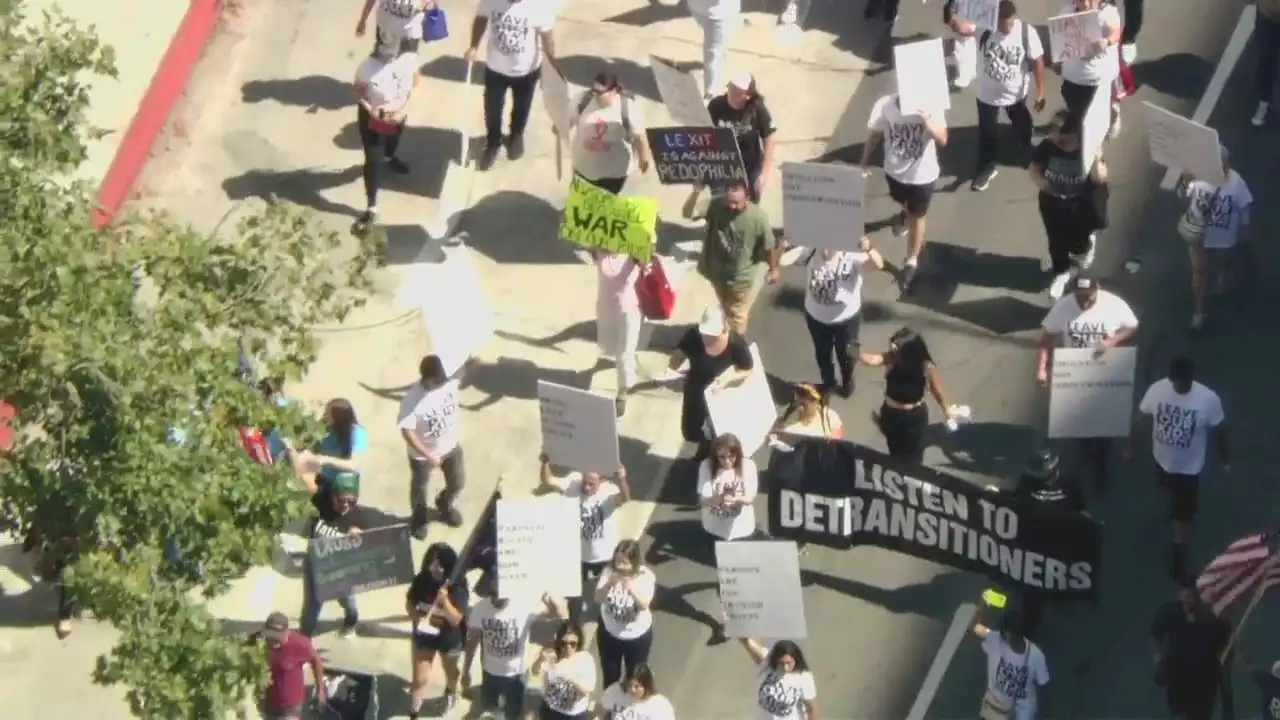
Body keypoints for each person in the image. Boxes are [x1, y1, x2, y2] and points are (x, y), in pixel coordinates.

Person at [1127, 355, 1228, 581]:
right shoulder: (1158, 390)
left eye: (1183, 383)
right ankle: (1176, 513)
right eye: (1175, 382)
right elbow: (1141, 418)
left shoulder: (1208, 399)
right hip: (1162, 460)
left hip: (1189, 470)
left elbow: (1219, 429)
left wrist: (1224, 458)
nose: (1178, 387)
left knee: (1183, 518)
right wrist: (1132, 444)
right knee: (1166, 489)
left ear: (1191, 379)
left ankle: (1178, 556)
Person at [1036, 274, 1138, 492]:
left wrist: (1112, 341)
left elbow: (1132, 325)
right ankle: (1085, 460)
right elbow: (1047, 338)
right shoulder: (1063, 308)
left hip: (1103, 372)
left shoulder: (1113, 305)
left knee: (1102, 426)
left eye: (1089, 296)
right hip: (1075, 372)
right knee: (1079, 425)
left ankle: (1100, 469)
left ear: (1097, 289)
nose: (1084, 301)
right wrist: (1041, 368)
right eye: (1080, 296)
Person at [860, 93, 948, 293]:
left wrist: (927, 121)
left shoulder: (930, 104)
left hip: (922, 177)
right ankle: (905, 213)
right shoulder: (884, 104)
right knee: (901, 202)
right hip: (894, 172)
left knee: (917, 216)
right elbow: (875, 134)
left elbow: (943, 138)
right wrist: (864, 160)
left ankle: (911, 260)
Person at [466, 0, 561, 171]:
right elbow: (481, 19)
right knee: (492, 109)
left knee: (521, 107)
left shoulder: (540, 6)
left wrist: (552, 69)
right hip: (495, 69)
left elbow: (547, 38)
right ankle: (493, 143)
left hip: (526, 71)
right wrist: (473, 46)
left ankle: (516, 135)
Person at [537, 454, 632, 623]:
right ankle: (572, 624)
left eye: (591, 484)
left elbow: (625, 498)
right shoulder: (573, 482)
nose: (586, 488)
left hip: (606, 554)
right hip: (580, 554)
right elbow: (549, 480)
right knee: (575, 592)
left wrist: (622, 480)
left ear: (601, 482)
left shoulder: (609, 492)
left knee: (607, 589)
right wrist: (546, 462)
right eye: (585, 482)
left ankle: (607, 618)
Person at [1029, 111, 1109, 298]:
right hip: (1052, 201)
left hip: (1080, 205)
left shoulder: (1088, 149)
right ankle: (1062, 271)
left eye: (1061, 133)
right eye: (1054, 131)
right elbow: (1034, 169)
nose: (1056, 137)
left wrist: (1097, 159)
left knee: (1078, 243)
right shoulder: (1048, 146)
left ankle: (1084, 249)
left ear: (1075, 134)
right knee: (1055, 239)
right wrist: (1045, 185)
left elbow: (1100, 178)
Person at [684, 180, 780, 336]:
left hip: (739, 278)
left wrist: (773, 268)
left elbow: (769, 247)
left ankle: (735, 345)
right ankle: (726, 334)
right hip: (715, 272)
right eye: (728, 202)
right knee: (726, 307)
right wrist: (695, 193)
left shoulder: (758, 218)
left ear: (747, 198)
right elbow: (688, 214)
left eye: (736, 203)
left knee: (736, 314)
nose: (731, 207)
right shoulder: (716, 205)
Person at [1175, 145, 1254, 330]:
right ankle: (1199, 311)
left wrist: (1245, 231)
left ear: (1227, 163)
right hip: (1199, 234)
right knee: (1198, 271)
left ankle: (1220, 278)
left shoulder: (1236, 183)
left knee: (1220, 262)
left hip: (1224, 237)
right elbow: (1183, 196)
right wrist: (1184, 181)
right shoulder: (1197, 175)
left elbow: (1244, 207)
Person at [464, 571, 561, 720]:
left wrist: (549, 600)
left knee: (513, 713)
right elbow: (472, 642)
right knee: (491, 711)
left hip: (517, 675)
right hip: (491, 673)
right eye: (493, 594)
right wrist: (466, 670)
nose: (497, 599)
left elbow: (557, 614)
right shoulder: (480, 609)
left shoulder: (523, 606)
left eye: (501, 595)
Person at [971, 1, 1046, 191]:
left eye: (1010, 24)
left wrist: (1040, 91)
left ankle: (1026, 144)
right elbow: (962, 28)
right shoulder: (984, 30)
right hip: (987, 95)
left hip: (1015, 95)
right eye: (1002, 24)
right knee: (987, 133)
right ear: (994, 20)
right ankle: (986, 168)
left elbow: (1038, 61)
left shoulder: (1026, 33)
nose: (1006, 28)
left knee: (1021, 122)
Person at [859, 327, 957, 463]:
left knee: (914, 455)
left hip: (914, 418)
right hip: (891, 414)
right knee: (895, 452)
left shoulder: (926, 366)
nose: (892, 350)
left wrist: (947, 409)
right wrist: (857, 354)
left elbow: (937, 390)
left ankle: (912, 479)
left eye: (896, 348)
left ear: (911, 350)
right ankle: (898, 477)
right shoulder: (893, 358)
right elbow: (875, 359)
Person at [667, 306, 755, 456]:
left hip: (718, 396)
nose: (707, 338)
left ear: (723, 330)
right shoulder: (694, 336)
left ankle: (709, 456)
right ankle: (704, 447)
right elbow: (678, 354)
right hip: (695, 392)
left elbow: (747, 368)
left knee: (715, 435)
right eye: (705, 334)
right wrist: (676, 366)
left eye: (712, 334)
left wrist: (728, 379)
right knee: (692, 431)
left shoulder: (735, 343)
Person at [699, 432, 761, 643]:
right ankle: (730, 620)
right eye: (722, 457)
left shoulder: (748, 466)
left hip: (741, 530)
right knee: (726, 578)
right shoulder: (707, 467)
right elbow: (703, 499)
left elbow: (751, 495)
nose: (727, 461)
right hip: (716, 530)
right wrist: (718, 498)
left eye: (731, 457)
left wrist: (737, 499)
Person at [350, 43, 419, 234]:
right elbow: (358, 90)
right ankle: (372, 205)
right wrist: (371, 110)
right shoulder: (368, 66)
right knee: (372, 159)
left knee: (390, 147)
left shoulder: (409, 60)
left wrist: (402, 109)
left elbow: (416, 79)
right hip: (373, 118)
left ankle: (389, 158)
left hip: (396, 116)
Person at [802, 238, 883, 398]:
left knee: (848, 354)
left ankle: (847, 381)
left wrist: (869, 248)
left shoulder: (852, 254)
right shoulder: (810, 250)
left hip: (847, 319)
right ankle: (828, 382)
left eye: (829, 247)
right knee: (822, 353)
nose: (825, 252)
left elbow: (878, 264)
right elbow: (783, 260)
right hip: (816, 318)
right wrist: (783, 246)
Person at [398, 354, 466, 539]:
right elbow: (407, 431)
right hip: (422, 455)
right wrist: (427, 454)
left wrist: (474, 361)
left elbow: (468, 365)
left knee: (458, 482)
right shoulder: (412, 400)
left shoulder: (450, 379)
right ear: (428, 379)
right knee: (420, 489)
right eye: (440, 380)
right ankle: (419, 519)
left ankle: (444, 504)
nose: (445, 383)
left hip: (450, 446)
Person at [1151, 579, 1232, 720]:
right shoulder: (1171, 614)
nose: (1184, 601)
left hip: (1201, 685)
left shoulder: (1211, 622)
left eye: (1188, 596)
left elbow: (1225, 642)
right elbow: (1158, 633)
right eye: (1182, 596)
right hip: (1187, 685)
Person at [406, 542, 469, 719]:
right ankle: (414, 712)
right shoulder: (421, 580)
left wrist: (445, 601)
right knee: (419, 679)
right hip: (425, 634)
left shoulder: (458, 586)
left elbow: (456, 619)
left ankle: (450, 692)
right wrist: (417, 618)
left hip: (449, 636)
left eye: (440, 565)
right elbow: (410, 604)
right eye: (432, 563)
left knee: (451, 672)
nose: (435, 569)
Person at [300, 472, 367, 637]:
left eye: (351, 501)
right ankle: (304, 638)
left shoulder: (357, 516)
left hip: (341, 567)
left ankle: (351, 621)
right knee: (312, 604)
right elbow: (302, 478)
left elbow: (367, 549)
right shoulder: (322, 502)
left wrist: (358, 537)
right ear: (332, 496)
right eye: (341, 500)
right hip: (316, 564)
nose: (345, 505)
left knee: (347, 600)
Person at [571, 72, 651, 195]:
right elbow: (566, 119)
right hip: (583, 168)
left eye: (601, 93)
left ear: (614, 91)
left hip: (613, 174)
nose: (596, 96)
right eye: (594, 91)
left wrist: (643, 159)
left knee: (604, 207)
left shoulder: (628, 108)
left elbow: (640, 136)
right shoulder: (582, 100)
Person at [594, 540, 657, 689]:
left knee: (633, 676)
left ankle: (629, 704)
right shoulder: (608, 572)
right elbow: (597, 598)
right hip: (609, 633)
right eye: (618, 561)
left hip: (636, 637)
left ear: (634, 563)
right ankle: (610, 706)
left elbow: (644, 604)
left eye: (625, 563)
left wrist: (631, 589)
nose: (620, 566)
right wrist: (609, 583)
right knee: (610, 675)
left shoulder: (645, 576)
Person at [971, 603, 1051, 720]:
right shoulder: (995, 638)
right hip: (996, 708)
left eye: (1005, 631)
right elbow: (975, 627)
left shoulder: (1036, 656)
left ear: (1012, 633)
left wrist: (1045, 711)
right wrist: (982, 605)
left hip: (1021, 712)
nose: (1002, 633)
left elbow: (1043, 684)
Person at [708, 74, 777, 202]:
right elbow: (705, 132)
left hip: (749, 163)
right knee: (720, 201)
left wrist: (764, 174)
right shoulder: (716, 105)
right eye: (731, 89)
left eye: (737, 92)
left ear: (747, 96)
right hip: (723, 161)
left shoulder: (757, 109)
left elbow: (769, 141)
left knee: (750, 201)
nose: (732, 94)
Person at [1057, 0, 1123, 133]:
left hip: (1094, 82)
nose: (1086, 3)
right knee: (1078, 116)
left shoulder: (1107, 12)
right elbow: (1059, 38)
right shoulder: (1067, 11)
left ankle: (1097, 138)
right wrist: (1058, 61)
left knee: (1092, 120)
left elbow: (1115, 32)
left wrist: (1107, 41)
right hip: (1072, 80)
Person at [594, 248, 643, 417]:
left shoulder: (634, 254)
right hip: (606, 310)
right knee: (610, 348)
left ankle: (623, 392)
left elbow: (647, 260)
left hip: (628, 313)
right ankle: (622, 368)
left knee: (623, 355)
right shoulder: (599, 251)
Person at [255, 611, 327, 720]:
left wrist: (320, 690)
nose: (273, 641)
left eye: (277, 637)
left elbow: (316, 661)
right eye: (270, 637)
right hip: (268, 704)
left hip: (291, 706)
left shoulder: (300, 644)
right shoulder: (258, 643)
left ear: (286, 632)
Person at [290, 398, 369, 494]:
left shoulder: (357, 433)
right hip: (324, 479)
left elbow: (354, 465)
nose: (326, 415)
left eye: (329, 413)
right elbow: (311, 448)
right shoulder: (324, 428)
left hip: (345, 484)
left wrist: (323, 459)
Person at [739, 638, 819, 719]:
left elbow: (811, 709)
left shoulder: (804, 677)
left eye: (789, 663)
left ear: (796, 659)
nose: (785, 667)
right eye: (781, 663)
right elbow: (747, 642)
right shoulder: (767, 663)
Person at [535, 620, 598, 720]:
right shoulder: (553, 656)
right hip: (552, 710)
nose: (568, 648)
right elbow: (535, 671)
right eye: (564, 643)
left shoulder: (586, 659)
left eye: (572, 644)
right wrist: (540, 660)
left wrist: (569, 677)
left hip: (575, 714)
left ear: (579, 642)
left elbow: (588, 689)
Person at [686, 0, 741, 98]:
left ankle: (710, 90)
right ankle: (710, 92)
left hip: (697, 7)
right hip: (719, 12)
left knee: (716, 47)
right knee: (713, 54)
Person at [597, 664, 677, 720]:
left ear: (646, 686)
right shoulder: (616, 692)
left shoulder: (660, 706)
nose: (632, 689)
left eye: (637, 686)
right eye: (630, 685)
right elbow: (602, 712)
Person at [355, 0, 428, 57]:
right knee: (381, 58)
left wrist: (363, 20)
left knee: (409, 63)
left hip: (406, 32)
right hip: (388, 28)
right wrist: (363, 20)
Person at [771, 383, 843, 440]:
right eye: (800, 395)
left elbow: (838, 436)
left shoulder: (830, 417)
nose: (800, 400)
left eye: (809, 398)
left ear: (817, 403)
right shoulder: (791, 416)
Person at [1251, 0, 1280, 126]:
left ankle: (1263, 102)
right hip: (1267, 18)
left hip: (1267, 16)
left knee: (1266, 62)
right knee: (1266, 62)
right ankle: (1263, 102)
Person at [1232, 646, 1280, 720]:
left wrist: (1238, 647)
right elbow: (1248, 667)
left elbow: (1247, 666)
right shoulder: (1268, 681)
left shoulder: (1268, 681)